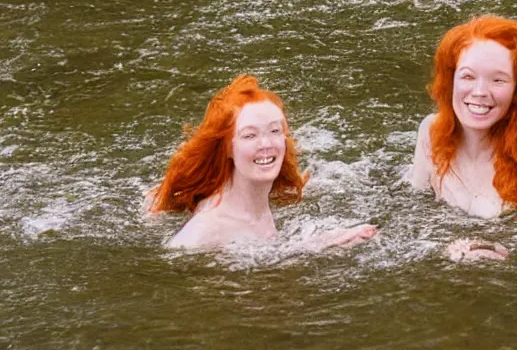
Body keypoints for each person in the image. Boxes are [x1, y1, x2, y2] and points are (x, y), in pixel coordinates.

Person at [149, 75, 378, 250]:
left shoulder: (260, 200)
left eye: (275, 131)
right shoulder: (206, 230)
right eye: (250, 135)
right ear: (228, 147)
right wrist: (315, 248)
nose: (266, 143)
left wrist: (325, 241)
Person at [410, 16, 517, 259]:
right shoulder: (431, 133)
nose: (480, 92)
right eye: (468, 76)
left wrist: (489, 251)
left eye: (498, 80)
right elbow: (413, 212)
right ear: (450, 79)